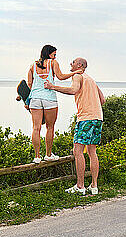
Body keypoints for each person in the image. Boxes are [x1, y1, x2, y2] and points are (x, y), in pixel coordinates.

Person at [44, 57, 105, 195]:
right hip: (97, 118)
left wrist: (52, 86)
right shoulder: (91, 79)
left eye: (72, 62)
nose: (70, 64)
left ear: (79, 65)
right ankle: (94, 186)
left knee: (78, 152)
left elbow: (73, 90)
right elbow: (103, 100)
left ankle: (80, 186)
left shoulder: (78, 76)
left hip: (85, 118)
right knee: (92, 152)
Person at [27, 45, 81, 164]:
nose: (55, 56)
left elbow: (29, 84)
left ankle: (37, 157)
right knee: (50, 127)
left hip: (35, 99)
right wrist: (75, 73)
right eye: (54, 54)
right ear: (49, 54)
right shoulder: (53, 63)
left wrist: (29, 98)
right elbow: (61, 77)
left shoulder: (33, 65)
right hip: (49, 99)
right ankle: (48, 154)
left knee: (36, 128)